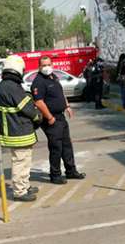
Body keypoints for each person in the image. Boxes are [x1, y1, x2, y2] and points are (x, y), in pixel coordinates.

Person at [31, 56, 86, 184]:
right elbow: (39, 102)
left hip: (61, 116)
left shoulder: (53, 77)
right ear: (39, 67)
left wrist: (67, 106)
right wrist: (50, 117)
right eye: (44, 65)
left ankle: (71, 171)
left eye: (48, 64)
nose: (46, 67)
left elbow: (60, 93)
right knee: (56, 147)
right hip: (51, 119)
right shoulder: (38, 82)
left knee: (66, 145)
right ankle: (55, 175)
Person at [0, 56, 42, 201]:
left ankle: (25, 185)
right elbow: (27, 108)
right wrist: (38, 117)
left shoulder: (4, 85)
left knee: (25, 161)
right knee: (20, 162)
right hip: (18, 132)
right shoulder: (11, 86)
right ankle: (20, 191)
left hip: (17, 131)